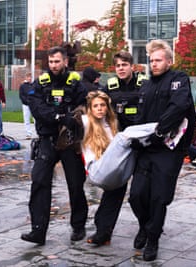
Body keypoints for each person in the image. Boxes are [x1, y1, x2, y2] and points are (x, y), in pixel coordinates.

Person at [128, 39, 196, 261]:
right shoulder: (146, 85)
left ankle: (153, 239)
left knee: (159, 197)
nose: (153, 64)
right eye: (151, 61)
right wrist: (134, 136)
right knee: (136, 195)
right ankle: (145, 226)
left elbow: (178, 107)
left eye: (158, 60)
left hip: (168, 149)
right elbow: (139, 115)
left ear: (169, 61)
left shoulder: (179, 80)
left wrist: (159, 132)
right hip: (147, 149)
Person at [20, 46, 88, 245]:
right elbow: (36, 106)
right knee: (40, 182)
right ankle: (38, 231)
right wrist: (58, 116)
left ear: (65, 61)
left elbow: (83, 105)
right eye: (50, 62)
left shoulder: (76, 83)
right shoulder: (41, 83)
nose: (54, 65)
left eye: (57, 61)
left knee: (76, 184)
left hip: (69, 141)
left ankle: (78, 225)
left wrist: (71, 118)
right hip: (47, 140)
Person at [86, 51, 145, 246]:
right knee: (114, 189)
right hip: (121, 147)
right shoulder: (109, 88)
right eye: (118, 65)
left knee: (140, 193)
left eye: (124, 65)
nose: (121, 68)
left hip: (144, 146)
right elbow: (96, 104)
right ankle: (103, 231)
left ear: (132, 67)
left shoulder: (144, 85)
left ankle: (146, 229)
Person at [19, 72, 34, 139]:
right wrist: (27, 102)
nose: (29, 78)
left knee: (36, 119)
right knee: (26, 119)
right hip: (26, 105)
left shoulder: (33, 85)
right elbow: (21, 96)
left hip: (33, 105)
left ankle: (39, 133)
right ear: (26, 78)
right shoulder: (22, 86)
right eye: (28, 77)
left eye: (30, 77)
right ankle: (28, 133)